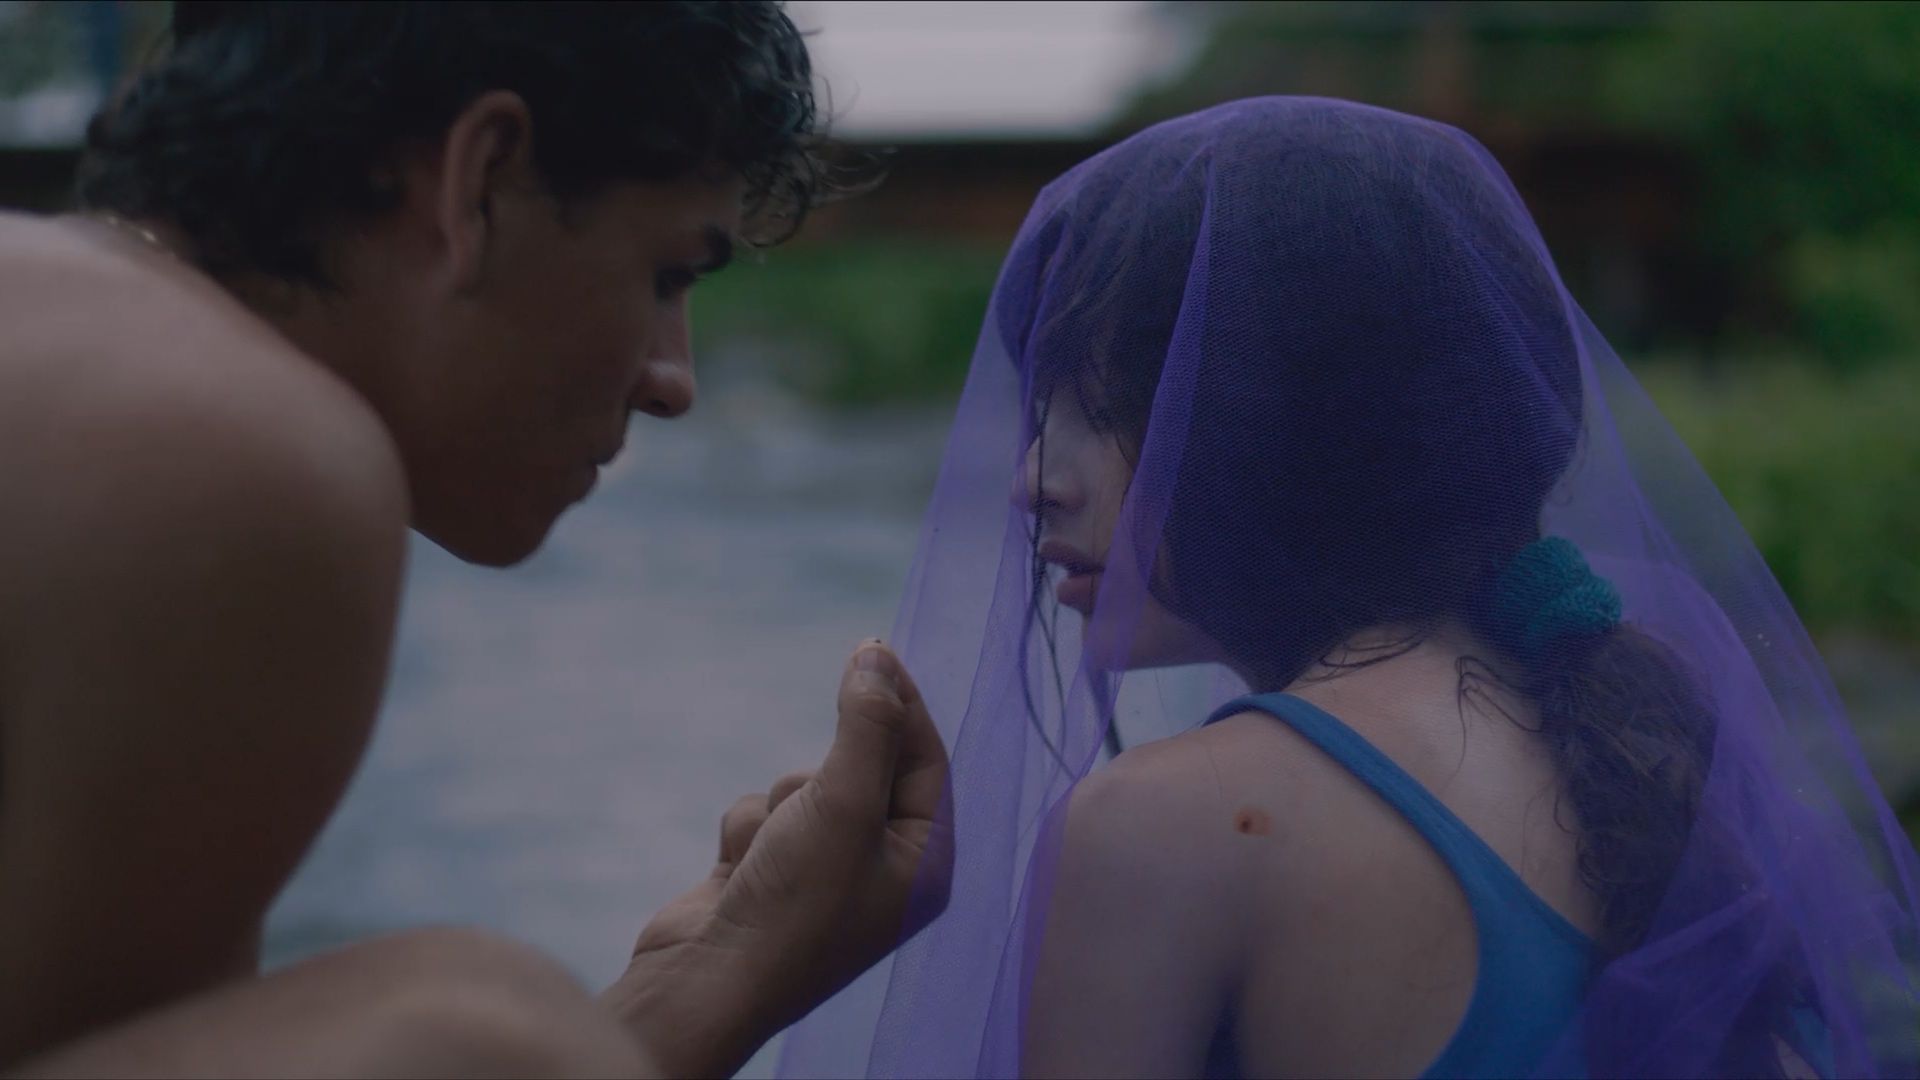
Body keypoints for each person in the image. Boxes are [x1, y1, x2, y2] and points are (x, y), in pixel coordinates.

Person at [778, 98, 1920, 1078]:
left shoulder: (1166, 827)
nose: (1032, 482)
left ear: (1273, 423)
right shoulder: (1640, 719)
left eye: (1104, 405)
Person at [0, 3, 949, 1077]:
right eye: (669, 275)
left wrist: (716, 971)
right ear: (481, 180)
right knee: (484, 1026)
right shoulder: (242, 454)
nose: (673, 380)